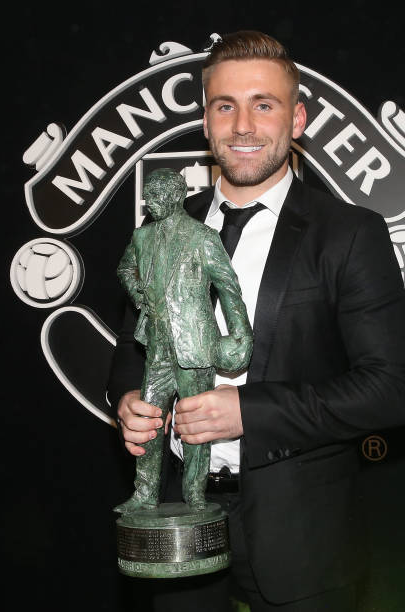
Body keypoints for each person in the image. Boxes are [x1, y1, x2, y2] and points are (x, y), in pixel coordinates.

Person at [108, 30, 405, 612]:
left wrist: (248, 412)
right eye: (226, 105)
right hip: (177, 519)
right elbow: (131, 345)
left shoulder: (349, 233)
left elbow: (392, 391)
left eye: (264, 104)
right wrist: (127, 397)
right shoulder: (160, 231)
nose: (243, 125)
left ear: (297, 119)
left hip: (305, 535)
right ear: (205, 121)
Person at [114, 167, 253, 514]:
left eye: (158, 195)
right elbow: (124, 268)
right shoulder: (142, 237)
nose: (151, 201)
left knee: (196, 429)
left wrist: (240, 335)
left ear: (177, 196)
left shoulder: (203, 237)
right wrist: (137, 292)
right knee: (148, 423)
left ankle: (195, 496)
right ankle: (145, 494)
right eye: (148, 195)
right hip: (157, 347)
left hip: (195, 346)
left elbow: (229, 288)